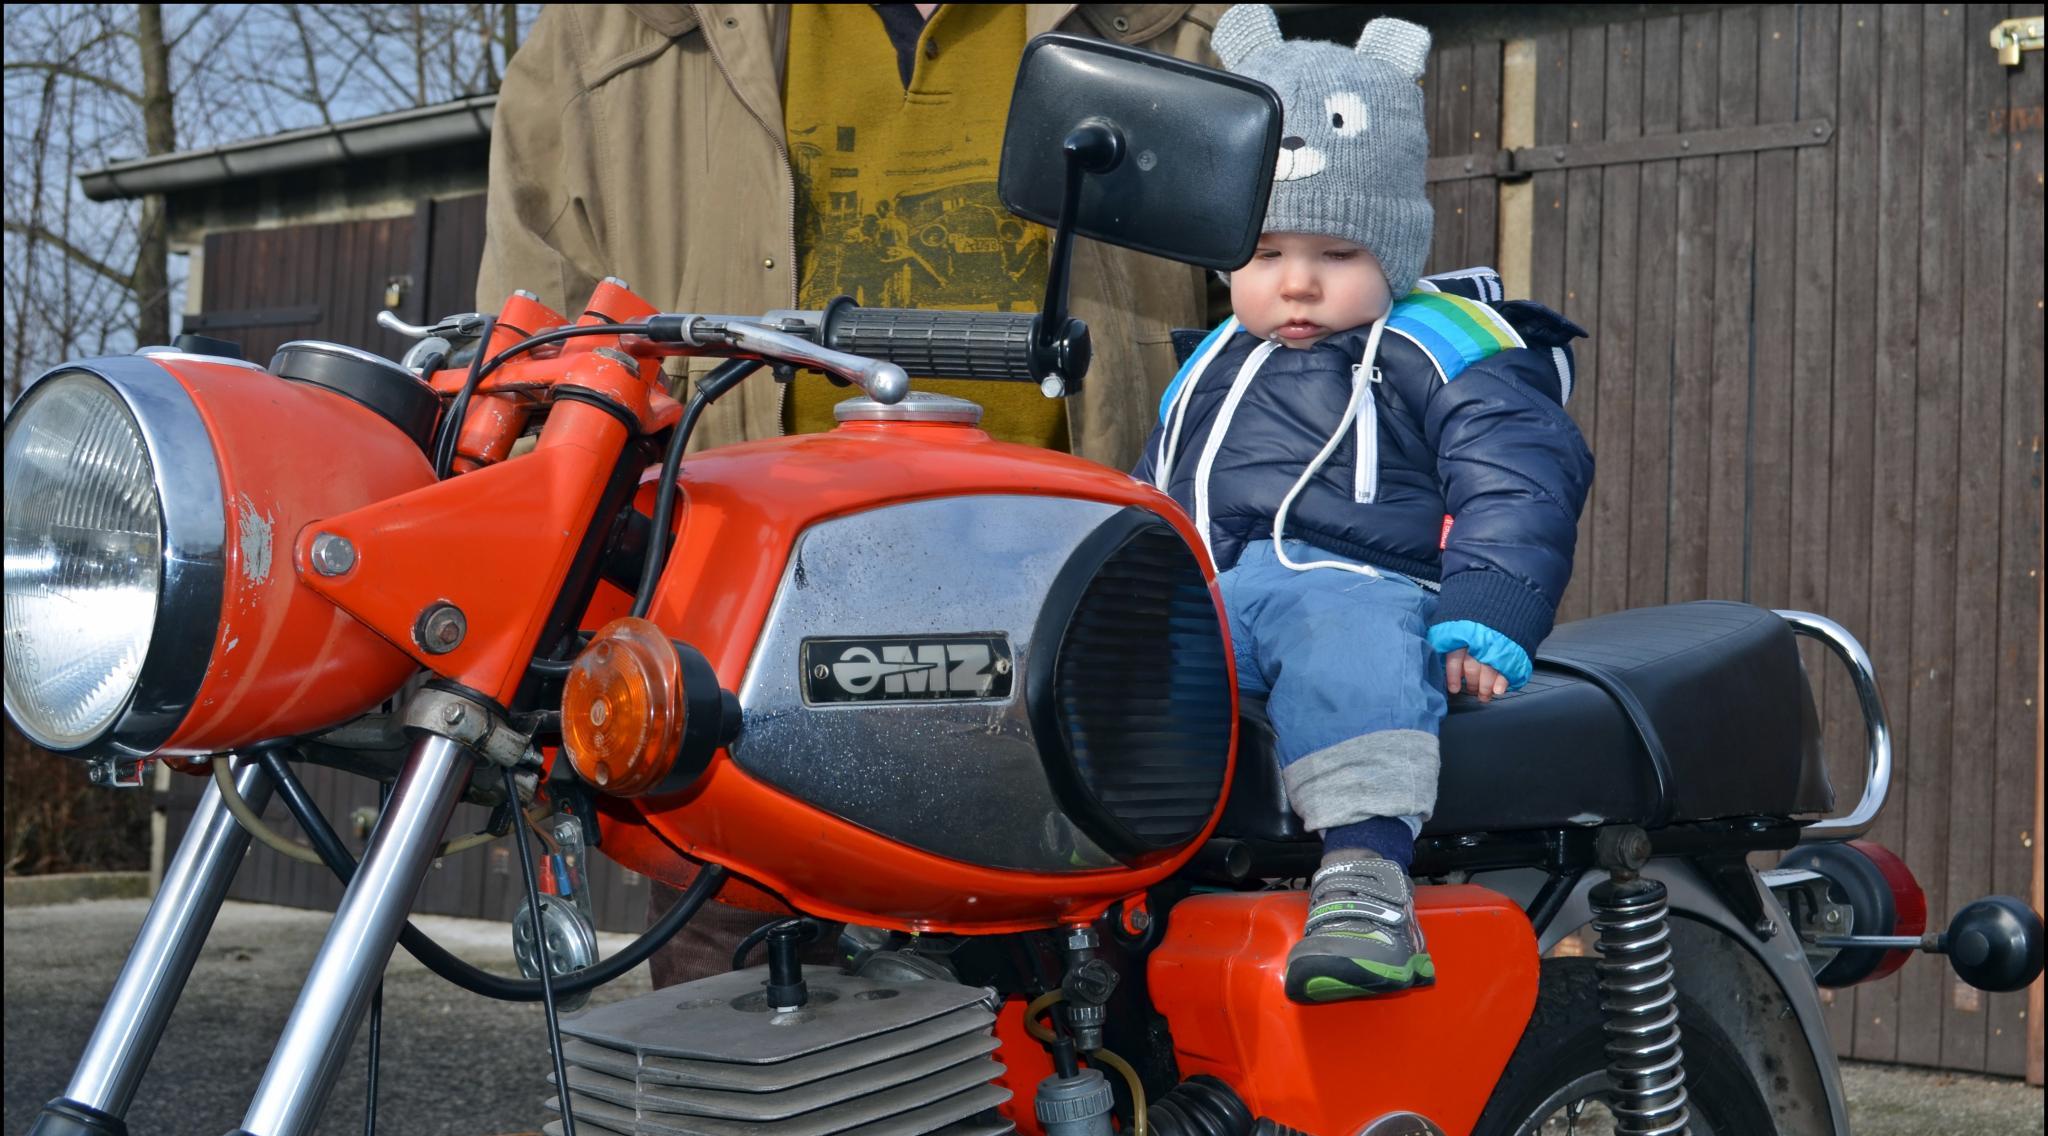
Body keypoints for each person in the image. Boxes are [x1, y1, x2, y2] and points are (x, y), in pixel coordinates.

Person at [476, 3, 1228, 990]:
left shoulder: (1186, 27)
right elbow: (528, 386)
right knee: (735, 1058)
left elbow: (1303, 323)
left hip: (1086, 698)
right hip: (737, 720)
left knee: (1109, 1053)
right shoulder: (610, 38)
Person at [1133, 6, 1595, 1003]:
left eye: (1335, 255)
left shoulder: (1440, 341)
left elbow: (1518, 472)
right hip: (1218, 598)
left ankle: (1365, 877)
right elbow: (1151, 494)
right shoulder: (1210, 365)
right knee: (1115, 657)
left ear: (1390, 249)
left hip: (1366, 586)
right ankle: (1105, 880)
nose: (1297, 284)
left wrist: (1487, 605)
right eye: (1265, 254)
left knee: (1345, 641)